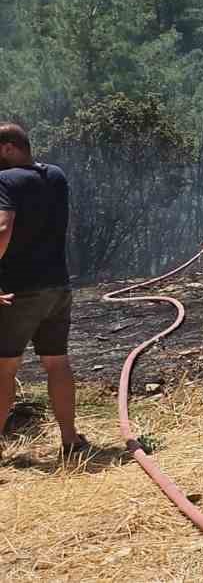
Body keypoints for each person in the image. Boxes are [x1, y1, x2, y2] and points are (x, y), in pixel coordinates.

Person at [0, 123, 89, 458]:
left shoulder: (5, 181)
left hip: (20, 291)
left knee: (5, 368)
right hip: (58, 287)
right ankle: (70, 440)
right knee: (57, 362)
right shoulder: (56, 176)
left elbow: (3, 229)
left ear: (8, 148)